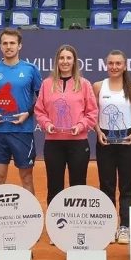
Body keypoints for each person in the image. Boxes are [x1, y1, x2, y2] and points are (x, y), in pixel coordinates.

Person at [0, 28, 42, 193]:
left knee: (26, 177)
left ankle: (30, 210)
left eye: (12, 43)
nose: (9, 46)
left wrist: (28, 113)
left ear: (19, 46)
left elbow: (41, 98)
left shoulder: (31, 69)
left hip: (23, 132)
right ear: (0, 46)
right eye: (5, 43)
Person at [34, 44, 98, 206]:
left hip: (78, 143)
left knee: (78, 185)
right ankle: (55, 218)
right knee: (54, 185)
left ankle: (77, 218)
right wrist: (47, 124)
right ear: (57, 61)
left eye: (69, 58)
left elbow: (92, 112)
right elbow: (39, 111)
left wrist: (81, 126)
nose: (65, 61)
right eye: (61, 58)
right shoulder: (46, 84)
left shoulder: (84, 84)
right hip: (53, 143)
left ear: (74, 61)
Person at [93, 50, 131, 244]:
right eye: (111, 63)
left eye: (118, 63)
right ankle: (109, 224)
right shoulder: (98, 86)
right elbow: (93, 114)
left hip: (127, 140)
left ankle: (125, 227)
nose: (114, 67)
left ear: (125, 65)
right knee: (106, 184)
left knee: (127, 185)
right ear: (106, 65)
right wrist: (98, 131)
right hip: (105, 140)